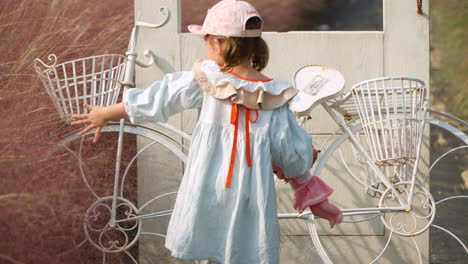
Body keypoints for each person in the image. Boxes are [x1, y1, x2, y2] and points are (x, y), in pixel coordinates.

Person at [70, 0, 343, 263]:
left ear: (218, 42)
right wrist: (315, 196)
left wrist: (106, 113)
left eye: (206, 40)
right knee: (244, 252)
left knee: (210, 248)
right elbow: (290, 154)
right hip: (251, 198)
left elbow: (160, 98)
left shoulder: (207, 80)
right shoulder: (273, 95)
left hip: (206, 190)